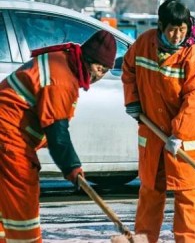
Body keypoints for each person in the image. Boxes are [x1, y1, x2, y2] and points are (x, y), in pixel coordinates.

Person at [0, 30, 117, 242]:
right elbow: (57, 132)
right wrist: (73, 169)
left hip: (9, 135)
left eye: (106, 70)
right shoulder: (61, 76)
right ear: (87, 59)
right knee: (22, 203)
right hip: (9, 138)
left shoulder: (64, 61)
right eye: (99, 68)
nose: (100, 75)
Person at [121, 0, 195, 243]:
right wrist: (133, 101)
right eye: (172, 29)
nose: (177, 36)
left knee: (188, 195)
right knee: (150, 190)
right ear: (161, 25)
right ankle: (144, 238)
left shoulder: (194, 55)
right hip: (154, 134)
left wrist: (179, 134)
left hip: (187, 138)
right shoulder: (144, 44)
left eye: (182, 30)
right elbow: (128, 69)